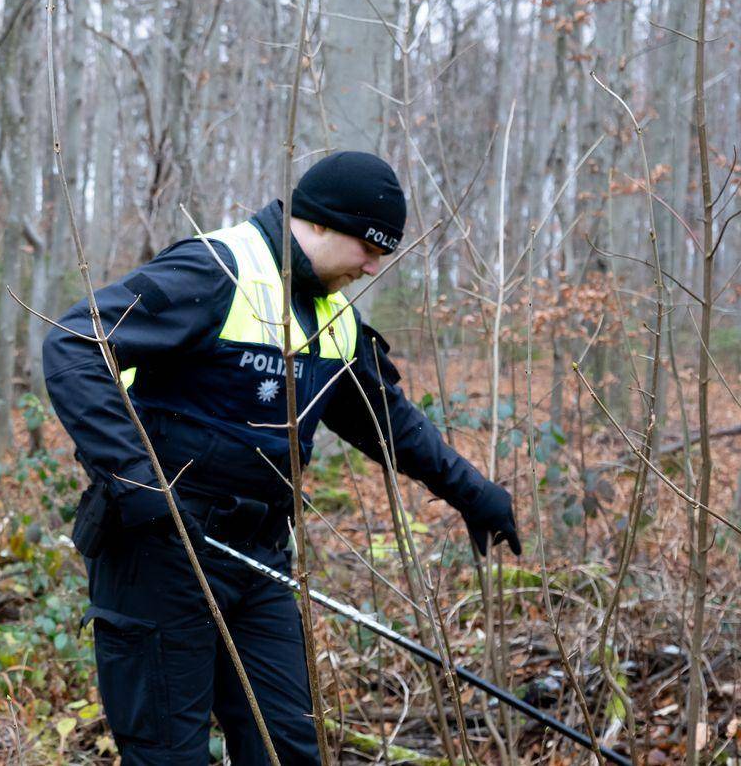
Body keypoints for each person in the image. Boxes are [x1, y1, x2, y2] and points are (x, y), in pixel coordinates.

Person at [41, 151, 522, 765]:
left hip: (260, 558)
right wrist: (137, 482)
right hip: (160, 552)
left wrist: (473, 493)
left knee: (287, 747)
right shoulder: (216, 270)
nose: (374, 266)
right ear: (318, 221)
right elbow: (75, 345)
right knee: (168, 754)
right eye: (369, 247)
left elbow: (387, 421)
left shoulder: (333, 317)